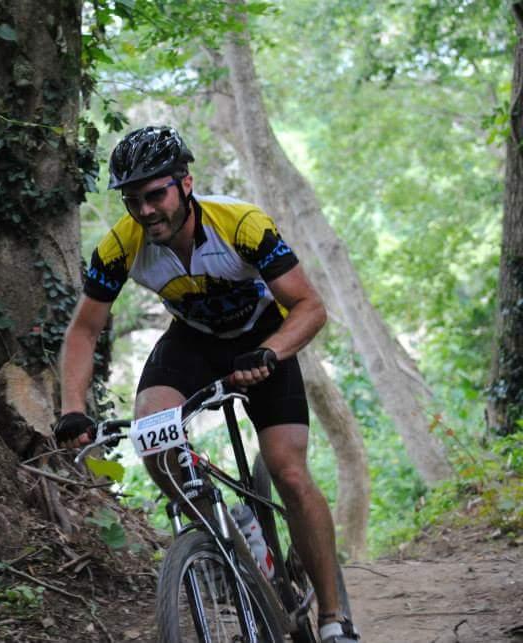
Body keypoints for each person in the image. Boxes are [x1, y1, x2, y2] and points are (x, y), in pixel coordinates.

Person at [54, 125, 360, 643]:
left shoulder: (241, 224)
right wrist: (72, 408)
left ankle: (333, 618)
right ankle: (224, 539)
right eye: (133, 200)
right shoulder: (119, 247)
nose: (145, 210)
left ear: (186, 183)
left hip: (263, 338)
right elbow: (84, 329)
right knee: (153, 435)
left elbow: (310, 306)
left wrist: (271, 352)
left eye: (156, 195)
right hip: (192, 342)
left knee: (287, 470)